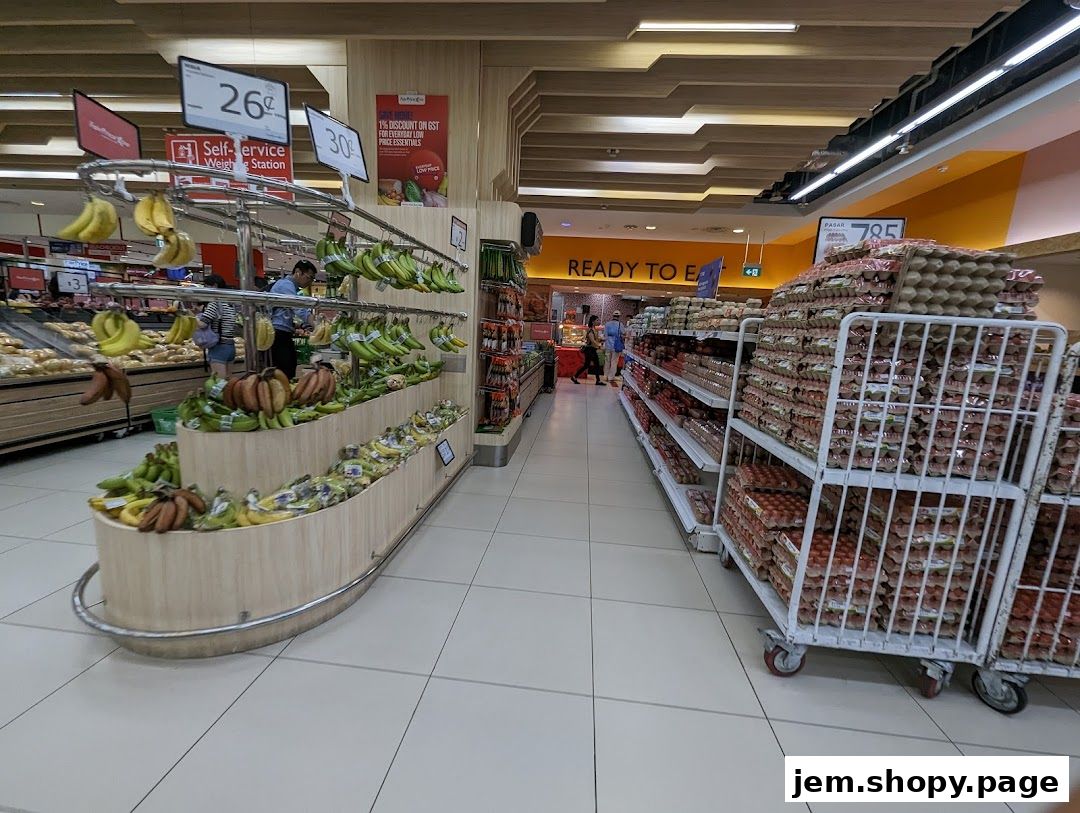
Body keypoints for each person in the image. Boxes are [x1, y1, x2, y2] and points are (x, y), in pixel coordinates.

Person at [269, 260, 316, 378]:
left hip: (282, 333)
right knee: (285, 370)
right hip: (278, 335)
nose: (310, 282)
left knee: (289, 366)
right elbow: (299, 308)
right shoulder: (285, 285)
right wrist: (316, 324)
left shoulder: (291, 287)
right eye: (309, 277)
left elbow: (286, 312)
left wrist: (301, 326)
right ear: (298, 272)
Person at [197, 273, 238, 378]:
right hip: (230, 347)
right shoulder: (230, 303)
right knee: (228, 383)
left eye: (206, 286)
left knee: (218, 384)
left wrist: (192, 318)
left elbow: (202, 324)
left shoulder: (214, 303)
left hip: (218, 348)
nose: (205, 289)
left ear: (214, 286)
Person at [571, 315, 604, 385]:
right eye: (597, 320)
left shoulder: (594, 329)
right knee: (590, 365)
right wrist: (599, 345)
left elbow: (595, 339)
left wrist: (601, 340)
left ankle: (575, 377)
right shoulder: (590, 330)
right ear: (593, 322)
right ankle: (575, 376)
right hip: (590, 350)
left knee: (593, 365)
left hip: (592, 349)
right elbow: (592, 340)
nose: (599, 321)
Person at [603, 310, 625, 386]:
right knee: (614, 362)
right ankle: (611, 377)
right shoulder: (620, 324)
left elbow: (605, 335)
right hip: (616, 346)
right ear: (619, 317)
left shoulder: (607, 324)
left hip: (608, 345)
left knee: (607, 361)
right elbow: (623, 334)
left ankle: (605, 376)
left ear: (612, 316)